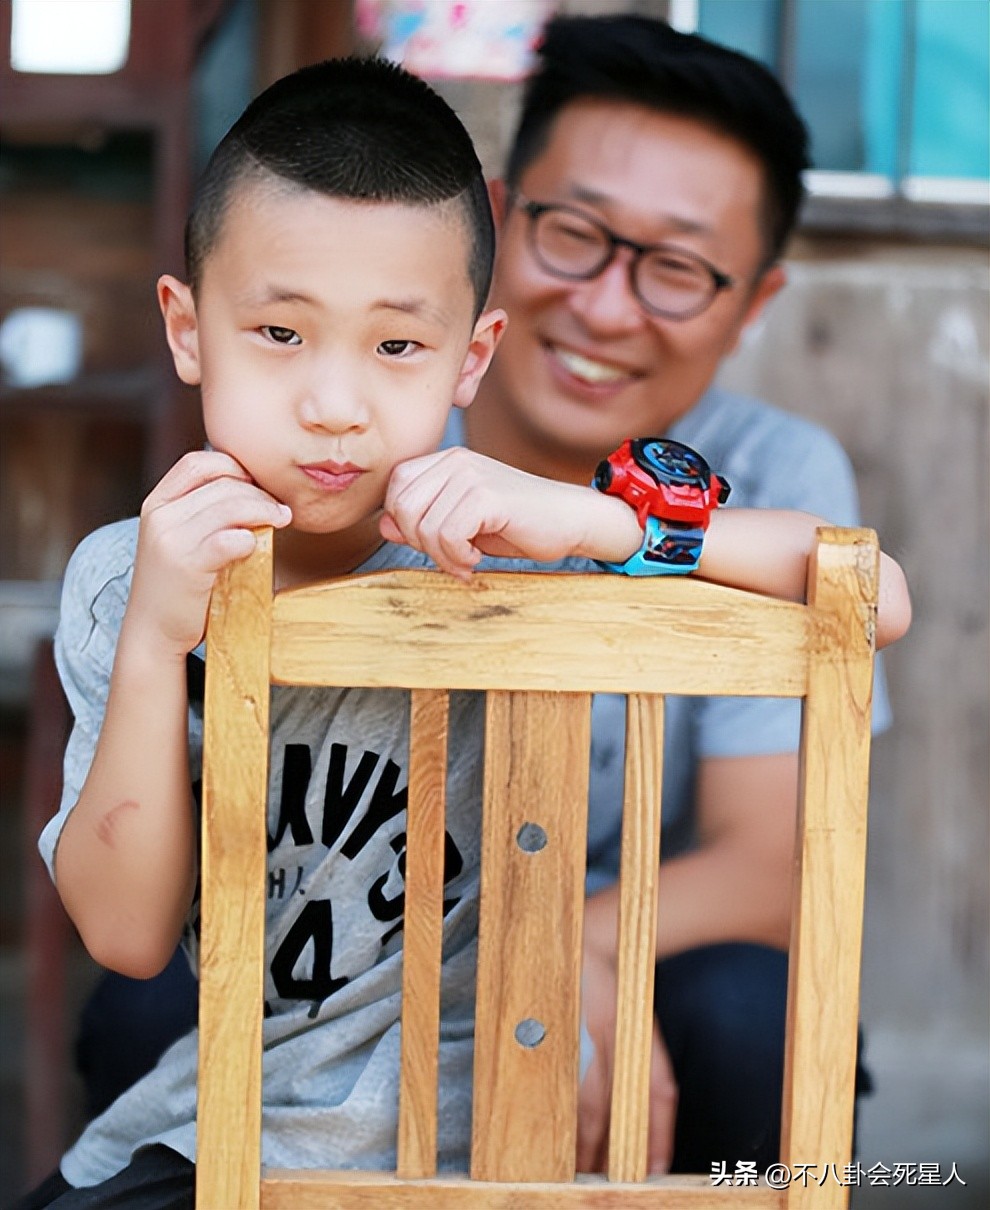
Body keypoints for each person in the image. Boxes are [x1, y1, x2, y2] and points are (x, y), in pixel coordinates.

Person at [24, 47, 910, 1210]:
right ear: (188, 331)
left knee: (749, 1013)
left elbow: (873, 596)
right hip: (235, 1122)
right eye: (280, 334)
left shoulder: (496, 547)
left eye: (396, 347)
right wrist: (151, 639)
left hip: (504, 1119)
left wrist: (596, 521)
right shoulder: (131, 578)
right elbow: (130, 936)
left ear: (464, 358)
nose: (334, 401)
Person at [441, 12, 899, 1177]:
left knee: (758, 1009)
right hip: (363, 937)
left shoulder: (782, 478)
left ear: (755, 301)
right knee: (153, 1005)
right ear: (497, 216)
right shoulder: (365, 423)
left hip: (636, 948)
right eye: (574, 232)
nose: (604, 307)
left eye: (679, 267)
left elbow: (771, 862)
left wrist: (572, 943)